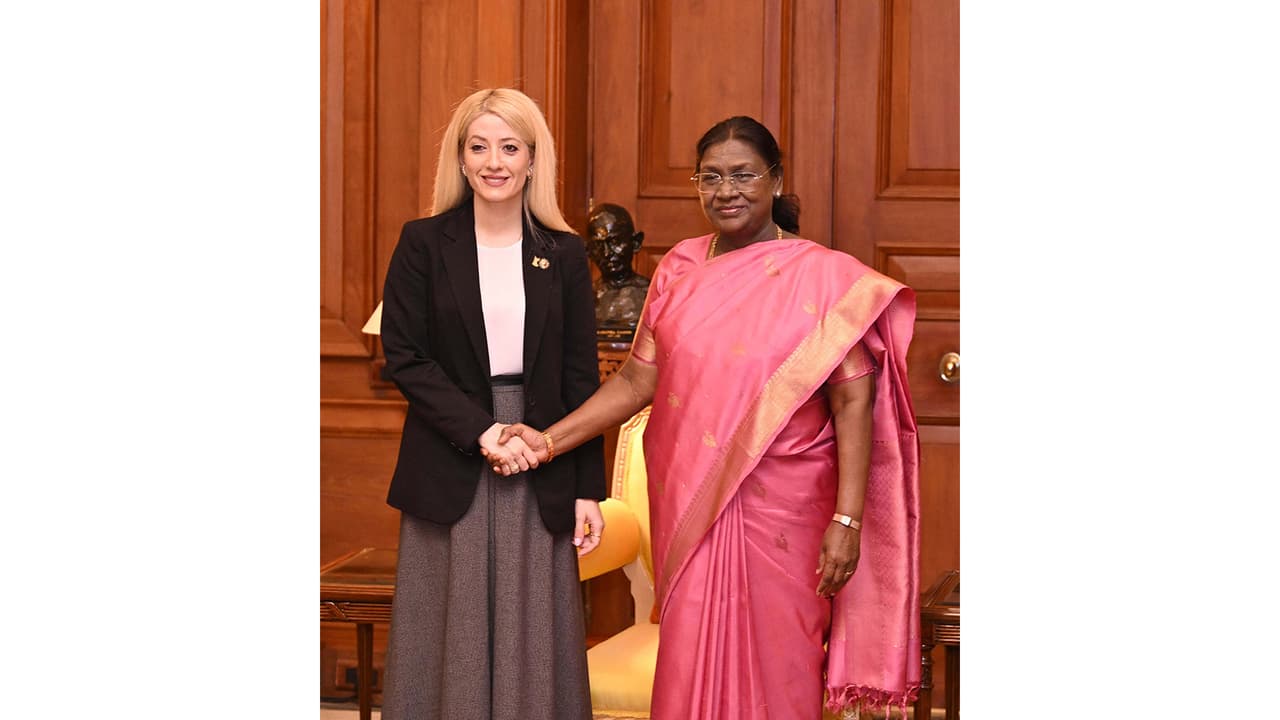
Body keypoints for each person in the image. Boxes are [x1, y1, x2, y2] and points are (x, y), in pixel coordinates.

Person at [495, 116, 921, 718]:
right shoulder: (679, 269)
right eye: (711, 177)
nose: (727, 191)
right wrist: (546, 442)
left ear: (776, 179)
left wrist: (847, 520)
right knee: (689, 655)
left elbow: (854, 400)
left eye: (744, 175)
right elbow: (638, 381)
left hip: (788, 511)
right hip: (691, 505)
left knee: (782, 662)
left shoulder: (823, 279)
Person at [377, 87, 606, 720]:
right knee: (444, 637)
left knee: (533, 633)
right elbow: (405, 356)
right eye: (478, 147)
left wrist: (589, 489)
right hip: (452, 454)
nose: (494, 161)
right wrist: (483, 432)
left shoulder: (563, 253)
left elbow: (580, 377)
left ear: (534, 159)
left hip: (544, 457)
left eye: (509, 147)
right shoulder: (423, 243)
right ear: (461, 158)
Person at [585, 202, 650, 340]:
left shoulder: (652, 296)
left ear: (635, 243)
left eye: (615, 241)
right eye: (598, 245)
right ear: (588, 251)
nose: (607, 253)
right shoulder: (583, 298)